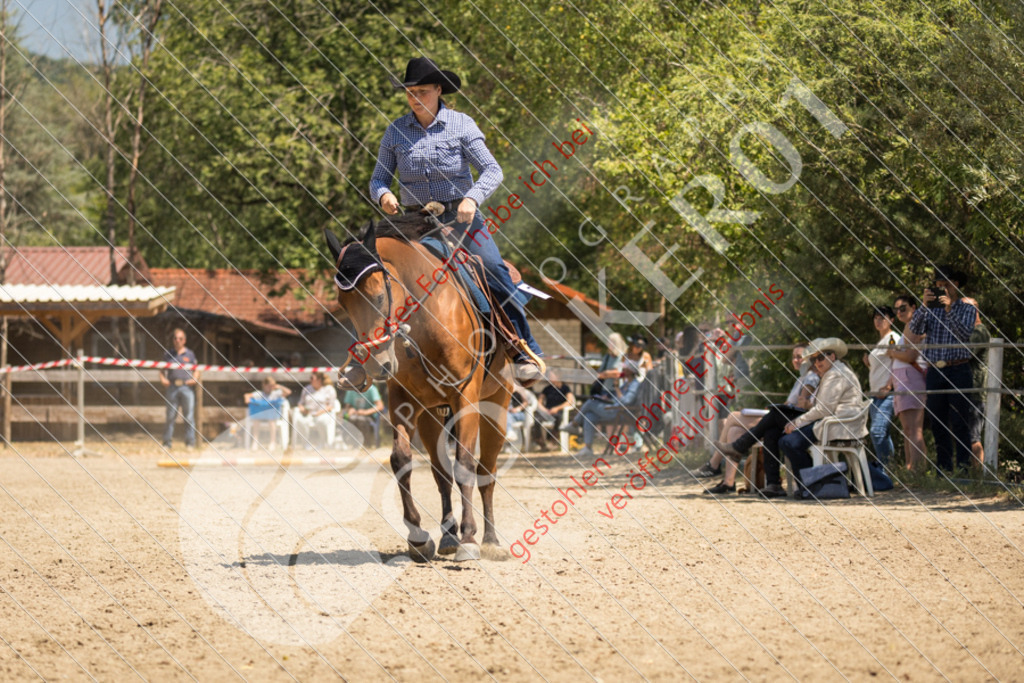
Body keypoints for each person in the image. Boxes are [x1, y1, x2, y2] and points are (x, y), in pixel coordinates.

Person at [369, 57, 542, 383]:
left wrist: (471, 198)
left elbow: (493, 170)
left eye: (421, 91)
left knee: (492, 268)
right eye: (409, 92)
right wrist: (384, 195)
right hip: (413, 221)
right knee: (376, 272)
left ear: (438, 89)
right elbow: (378, 178)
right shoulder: (395, 131)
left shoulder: (461, 124)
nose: (414, 97)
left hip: (461, 218)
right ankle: (375, 351)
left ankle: (523, 347)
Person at [703, 344, 819, 493]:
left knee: (733, 417)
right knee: (736, 430)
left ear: (809, 359)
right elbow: (792, 403)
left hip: (799, 420)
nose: (796, 360)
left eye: (800, 357)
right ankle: (732, 482)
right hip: (787, 418)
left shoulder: (811, 377)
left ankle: (716, 462)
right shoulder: (802, 377)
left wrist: (800, 400)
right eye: (794, 357)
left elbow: (803, 401)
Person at [908, 266, 978, 472]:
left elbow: (964, 334)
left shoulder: (967, 308)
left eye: (945, 284)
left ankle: (964, 469)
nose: (942, 289)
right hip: (935, 371)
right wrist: (923, 306)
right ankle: (944, 469)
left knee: (960, 421)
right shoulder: (930, 309)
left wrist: (949, 310)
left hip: (959, 369)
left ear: (955, 285)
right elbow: (914, 330)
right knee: (938, 422)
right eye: (938, 285)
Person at [778, 338, 866, 495]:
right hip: (836, 422)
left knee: (788, 441)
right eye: (814, 359)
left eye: (821, 357)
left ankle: (812, 485)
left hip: (838, 425)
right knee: (789, 440)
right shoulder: (834, 372)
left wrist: (797, 422)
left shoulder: (834, 375)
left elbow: (824, 409)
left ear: (832, 356)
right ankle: (813, 483)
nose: (817, 362)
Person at [561, 360, 643, 459]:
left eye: (625, 368)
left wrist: (616, 388)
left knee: (590, 403)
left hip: (620, 413)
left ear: (630, 371)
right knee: (589, 416)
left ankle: (574, 424)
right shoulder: (626, 383)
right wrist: (608, 399)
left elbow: (626, 401)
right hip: (615, 409)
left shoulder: (634, 384)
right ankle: (588, 448)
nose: (623, 370)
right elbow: (617, 399)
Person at [887, 294, 928, 471]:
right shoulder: (908, 327)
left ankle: (919, 472)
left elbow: (911, 355)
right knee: (908, 430)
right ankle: (911, 469)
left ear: (913, 307)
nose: (899, 312)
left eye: (903, 308)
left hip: (910, 378)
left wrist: (892, 352)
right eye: (896, 309)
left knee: (913, 430)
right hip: (903, 378)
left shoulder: (914, 325)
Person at [863, 306, 900, 466]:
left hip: (886, 393)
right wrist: (868, 364)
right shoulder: (881, 342)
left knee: (877, 432)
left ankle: (884, 468)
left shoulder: (892, 338)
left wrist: (889, 386)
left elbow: (896, 363)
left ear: (891, 320)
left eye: (882, 317)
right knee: (882, 434)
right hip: (875, 394)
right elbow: (881, 368)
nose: (878, 321)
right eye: (876, 318)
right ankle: (890, 469)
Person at [160, 328, 199, 450]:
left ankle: (190, 443)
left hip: (186, 388)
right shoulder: (168, 354)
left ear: (184, 340)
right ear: (173, 340)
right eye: (175, 338)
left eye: (180, 338)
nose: (178, 341)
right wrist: (163, 379)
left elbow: (196, 369)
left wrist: (194, 379)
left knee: (188, 417)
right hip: (172, 387)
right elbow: (161, 370)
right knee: (170, 416)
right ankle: (167, 443)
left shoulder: (190, 354)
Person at [961, 297, 988, 467]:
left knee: (973, 437)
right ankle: (966, 474)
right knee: (964, 436)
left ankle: (979, 478)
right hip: (965, 389)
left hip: (975, 391)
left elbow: (966, 352)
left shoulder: (979, 331)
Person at [292, 371, 338, 450]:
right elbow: (300, 403)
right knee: (301, 421)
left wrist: (319, 413)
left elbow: (331, 406)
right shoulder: (306, 389)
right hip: (308, 414)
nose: (310, 380)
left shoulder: (329, 389)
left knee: (321, 420)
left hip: (323, 413)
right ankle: (306, 444)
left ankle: (322, 443)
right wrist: (302, 409)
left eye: (312, 378)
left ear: (319, 380)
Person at [244, 376, 292, 451]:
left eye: (272, 386)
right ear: (264, 385)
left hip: (272, 417)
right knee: (256, 420)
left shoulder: (276, 393)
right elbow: (247, 395)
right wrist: (247, 399)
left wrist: (278, 386)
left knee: (271, 421)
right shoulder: (259, 394)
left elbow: (288, 392)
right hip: (260, 417)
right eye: (269, 386)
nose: (270, 388)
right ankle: (255, 441)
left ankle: (272, 442)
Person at [534, 368, 575, 449]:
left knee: (558, 418)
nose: (549, 378)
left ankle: (553, 440)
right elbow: (539, 402)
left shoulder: (565, 388)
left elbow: (570, 401)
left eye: (551, 376)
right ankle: (541, 442)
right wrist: (545, 410)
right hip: (547, 411)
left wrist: (557, 408)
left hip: (559, 411)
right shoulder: (547, 389)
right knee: (537, 419)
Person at [342, 383, 385, 449]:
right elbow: (347, 406)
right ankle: (354, 444)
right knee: (351, 419)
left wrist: (365, 412)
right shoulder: (350, 389)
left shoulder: (371, 389)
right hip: (355, 415)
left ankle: (366, 444)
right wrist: (350, 409)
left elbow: (380, 406)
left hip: (370, 416)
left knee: (361, 420)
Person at [591, 332, 627, 399]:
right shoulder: (607, 356)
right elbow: (599, 373)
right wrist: (607, 374)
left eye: (610, 342)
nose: (607, 344)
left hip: (617, 390)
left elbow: (618, 373)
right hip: (605, 389)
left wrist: (606, 373)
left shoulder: (622, 356)